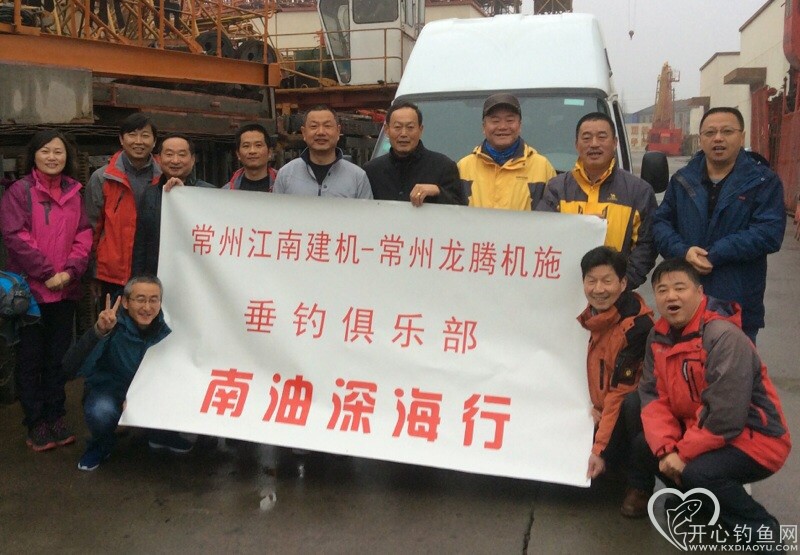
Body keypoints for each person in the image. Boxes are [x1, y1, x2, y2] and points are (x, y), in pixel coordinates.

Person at [630, 258, 790, 546]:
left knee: (699, 472)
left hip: (754, 437)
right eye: (662, 290)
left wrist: (682, 454)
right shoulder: (658, 335)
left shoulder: (723, 337)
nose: (671, 296)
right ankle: (700, 504)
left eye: (680, 288)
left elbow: (725, 416)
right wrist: (667, 449)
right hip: (700, 429)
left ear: (699, 291)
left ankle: (763, 532)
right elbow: (653, 397)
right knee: (647, 446)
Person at [652, 107, 785, 343]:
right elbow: (660, 223)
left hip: (737, 304)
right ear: (700, 138)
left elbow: (769, 233)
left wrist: (715, 254)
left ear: (742, 136)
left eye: (727, 131)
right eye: (710, 132)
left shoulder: (763, 181)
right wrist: (683, 251)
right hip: (685, 304)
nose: (718, 138)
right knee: (680, 364)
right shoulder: (683, 179)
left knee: (733, 364)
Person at [0, 130, 92, 451]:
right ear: (34, 155)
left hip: (65, 291)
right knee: (30, 360)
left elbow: (84, 234)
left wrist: (70, 272)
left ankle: (56, 414)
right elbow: (15, 235)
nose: (52, 157)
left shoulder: (75, 193)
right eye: (45, 151)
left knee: (58, 359)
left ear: (67, 157)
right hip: (31, 294)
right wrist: (48, 273)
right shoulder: (20, 191)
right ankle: (36, 421)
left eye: (58, 152)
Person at [63, 275, 191, 471]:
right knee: (101, 411)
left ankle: (161, 435)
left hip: (150, 391)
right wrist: (98, 331)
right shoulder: (112, 326)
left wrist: (140, 396)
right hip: (111, 390)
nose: (147, 307)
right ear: (125, 302)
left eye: (153, 300)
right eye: (140, 299)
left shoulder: (167, 331)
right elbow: (70, 366)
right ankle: (101, 445)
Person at [538, 112, 658, 289]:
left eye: (602, 137)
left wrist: (621, 283)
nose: (594, 144)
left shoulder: (638, 191)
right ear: (576, 145)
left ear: (615, 143)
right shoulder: (557, 189)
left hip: (617, 294)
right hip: (563, 290)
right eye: (586, 138)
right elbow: (543, 236)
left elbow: (646, 246)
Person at [576, 246, 654, 516]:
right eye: (591, 280)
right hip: (597, 410)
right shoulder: (587, 315)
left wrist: (598, 450)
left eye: (607, 281)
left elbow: (619, 394)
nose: (598, 289)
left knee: (632, 404)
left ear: (622, 283)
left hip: (621, 411)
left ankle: (637, 482)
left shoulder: (637, 328)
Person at [85, 113, 162, 303]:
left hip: (156, 272)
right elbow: (92, 228)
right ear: (121, 139)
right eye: (132, 135)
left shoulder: (165, 177)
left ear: (154, 141)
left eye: (145, 135)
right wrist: (94, 272)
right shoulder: (103, 177)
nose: (138, 141)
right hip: (113, 274)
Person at [132, 134, 214, 275]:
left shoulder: (209, 193)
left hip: (196, 277)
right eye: (169, 154)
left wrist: (183, 195)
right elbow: (141, 245)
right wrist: (136, 280)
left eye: (182, 155)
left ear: (193, 159)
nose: (175, 160)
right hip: (156, 276)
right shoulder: (149, 194)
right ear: (159, 159)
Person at [457, 93, 555, 210]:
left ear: (519, 126)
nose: (502, 127)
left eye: (509, 120)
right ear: (483, 127)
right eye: (495, 121)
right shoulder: (464, 168)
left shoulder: (542, 167)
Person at [364, 101, 464, 206]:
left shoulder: (443, 167)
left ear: (420, 130)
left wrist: (437, 191)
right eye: (397, 127)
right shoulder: (371, 171)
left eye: (410, 127)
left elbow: (460, 208)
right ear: (386, 130)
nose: (403, 134)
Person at [273, 105, 372, 199]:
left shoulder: (357, 177)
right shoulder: (286, 174)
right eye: (314, 126)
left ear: (338, 131)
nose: (321, 132)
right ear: (304, 132)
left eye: (327, 126)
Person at [223, 123, 277, 192]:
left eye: (258, 145)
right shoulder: (226, 192)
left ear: (269, 152)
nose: (252, 151)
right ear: (238, 154)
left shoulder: (283, 186)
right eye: (246, 146)